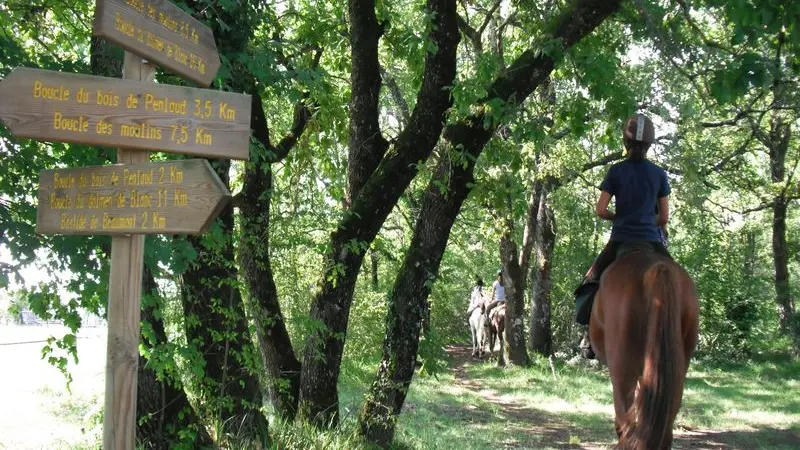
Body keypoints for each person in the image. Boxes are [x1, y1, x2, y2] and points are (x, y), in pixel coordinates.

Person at [574, 113, 672, 326]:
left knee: (590, 282)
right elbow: (664, 217)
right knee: (678, 282)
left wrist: (619, 217)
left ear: (625, 142)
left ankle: (589, 337)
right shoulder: (659, 174)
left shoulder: (616, 171)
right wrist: (646, 219)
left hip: (619, 240)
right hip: (651, 241)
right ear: (649, 144)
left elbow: (600, 210)